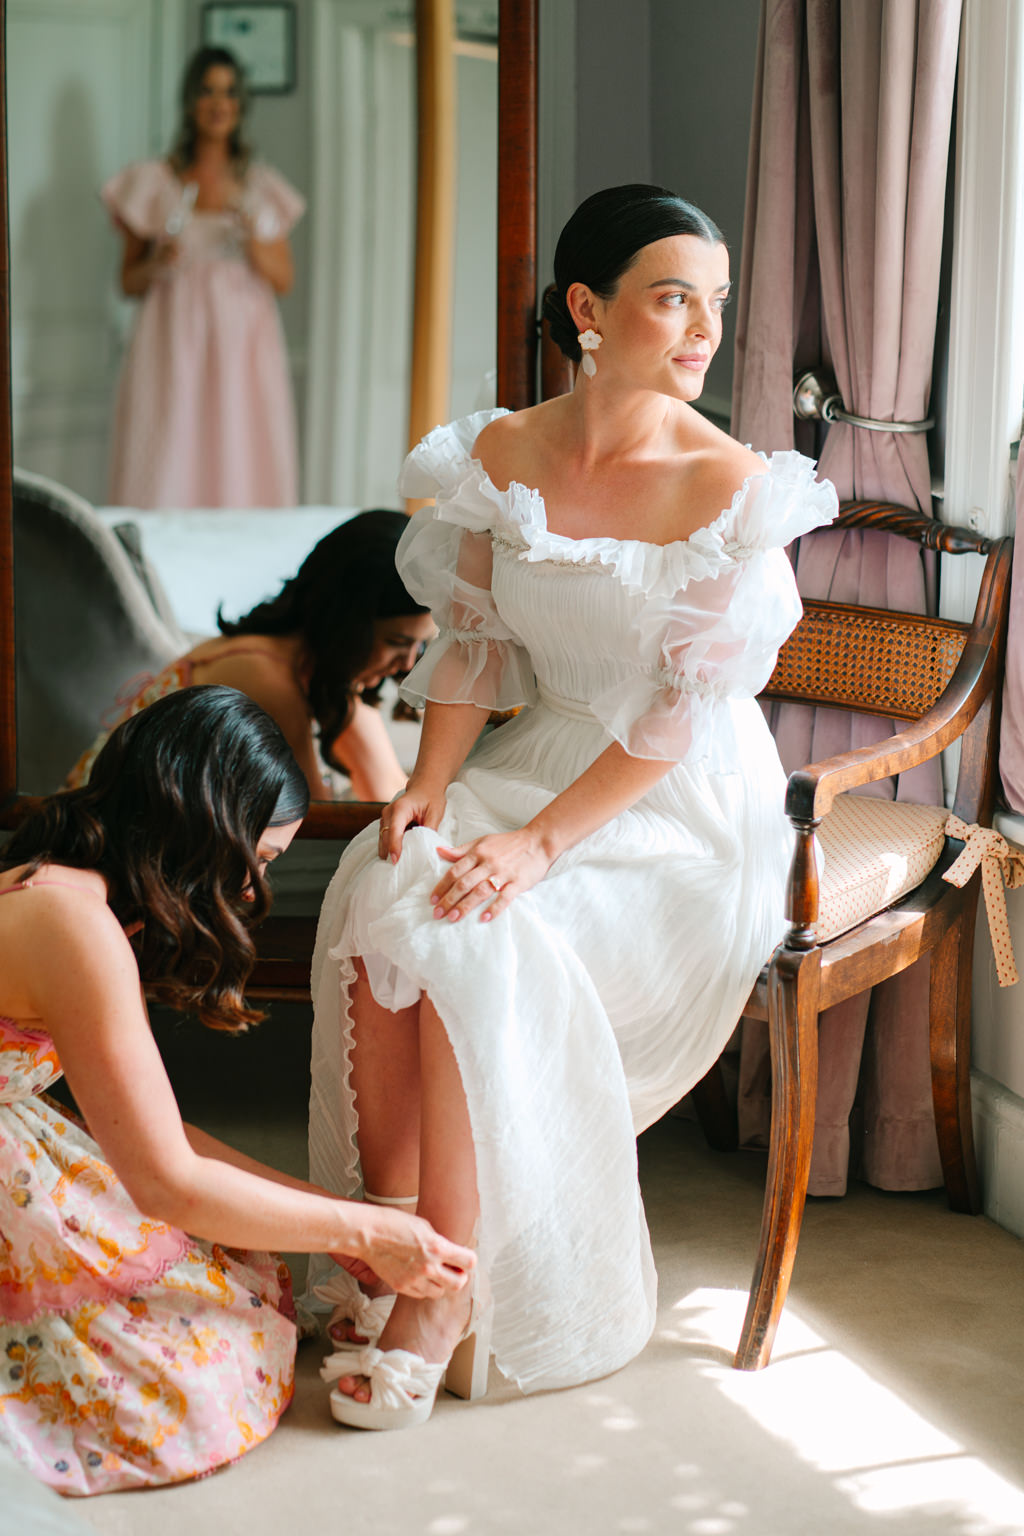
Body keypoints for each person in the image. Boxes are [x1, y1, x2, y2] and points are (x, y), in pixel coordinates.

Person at [307, 184, 839, 1430]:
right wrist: (432, 784)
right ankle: (387, 1245)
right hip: (537, 754)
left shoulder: (729, 487)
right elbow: (476, 646)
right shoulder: (500, 456)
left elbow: (678, 715)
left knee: (475, 932)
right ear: (587, 309)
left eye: (715, 303)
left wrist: (541, 843)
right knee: (387, 883)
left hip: (679, 801)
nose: (703, 331)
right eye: (673, 298)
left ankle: (442, 1295)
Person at [0, 687, 473, 1493]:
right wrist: (364, 1234)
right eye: (263, 855)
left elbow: (160, 1132)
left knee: (228, 1276)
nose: (255, 891)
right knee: (179, 1379)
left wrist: (339, 1224)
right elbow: (165, 1181)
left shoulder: (68, 891)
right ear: (207, 826)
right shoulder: (70, 925)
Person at [68, 510, 436, 802]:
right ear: (344, 622)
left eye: (420, 646)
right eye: (398, 642)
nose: (407, 664)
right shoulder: (266, 676)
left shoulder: (312, 671)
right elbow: (314, 825)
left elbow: (389, 791)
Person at [103, 46, 304, 508]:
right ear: (191, 100)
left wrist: (254, 241)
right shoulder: (155, 180)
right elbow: (127, 282)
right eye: (208, 91)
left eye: (230, 92)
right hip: (171, 337)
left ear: (241, 104)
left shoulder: (260, 184)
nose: (219, 103)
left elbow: (284, 279)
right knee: (168, 444)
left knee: (238, 441)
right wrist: (158, 263)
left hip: (242, 342)